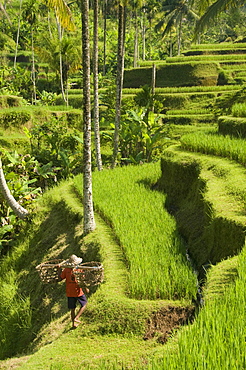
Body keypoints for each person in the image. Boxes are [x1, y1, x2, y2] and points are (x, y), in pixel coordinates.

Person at [59, 254, 89, 329]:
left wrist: (59, 269)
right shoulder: (79, 270)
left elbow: (61, 277)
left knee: (72, 308)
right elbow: (82, 281)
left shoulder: (66, 270)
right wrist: (86, 288)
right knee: (84, 304)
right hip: (78, 291)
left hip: (69, 292)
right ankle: (77, 317)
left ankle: (73, 324)